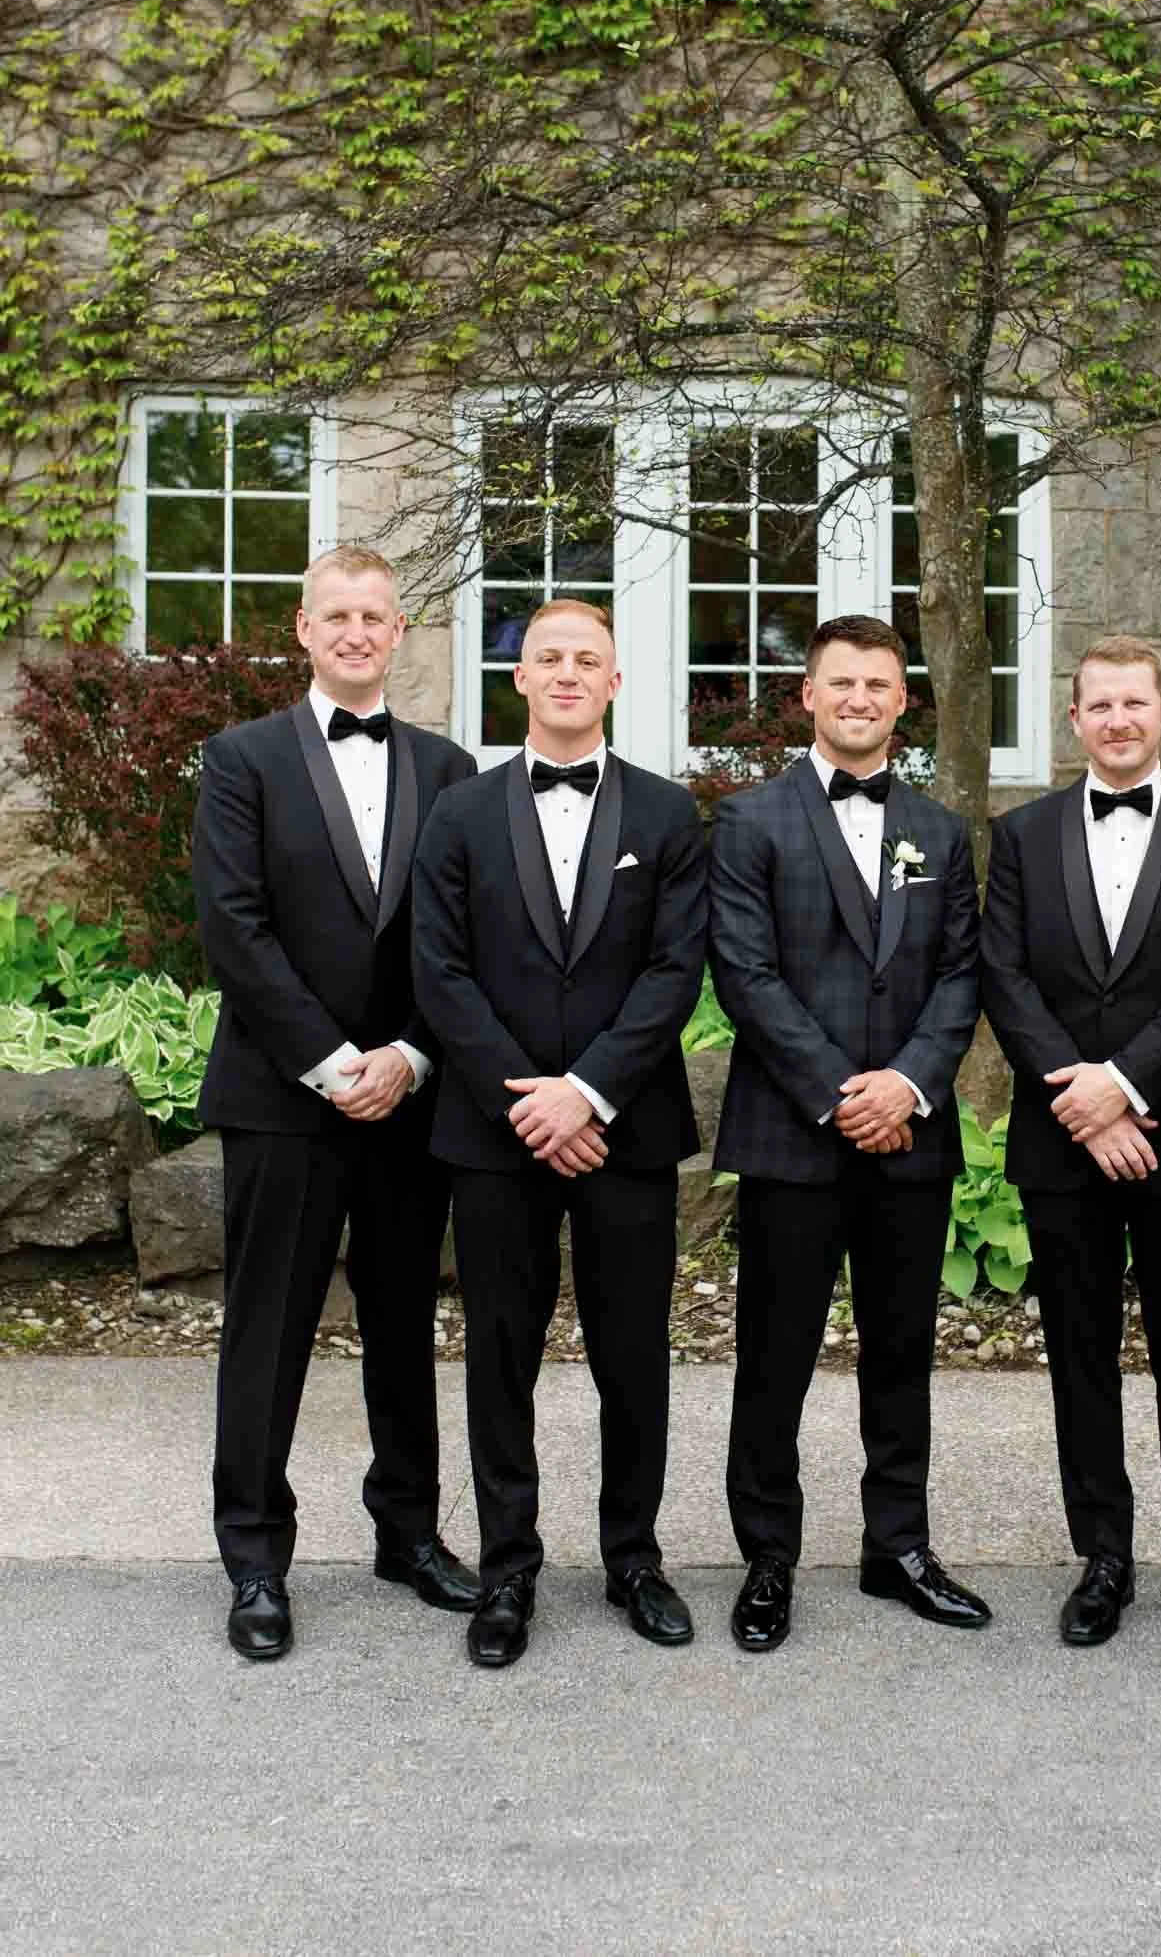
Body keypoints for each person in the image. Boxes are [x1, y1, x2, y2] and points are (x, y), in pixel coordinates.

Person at [193, 543, 480, 1661]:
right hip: (282, 1095)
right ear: (303, 630)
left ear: (398, 633)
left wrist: (408, 1054)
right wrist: (328, 1059)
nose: (357, 632)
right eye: (337, 615)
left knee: (404, 1323)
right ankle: (255, 1557)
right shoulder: (241, 759)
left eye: (375, 615)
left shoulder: (452, 770)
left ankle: (407, 1531)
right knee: (269, 1329)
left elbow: (458, 939)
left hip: (409, 1096)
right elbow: (233, 926)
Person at [411, 598, 708, 1669]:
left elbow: (675, 971)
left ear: (616, 682)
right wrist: (524, 1101)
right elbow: (437, 971)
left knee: (635, 1354)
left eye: (588, 658)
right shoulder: (458, 814)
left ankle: (633, 1555)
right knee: (500, 1354)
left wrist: (586, 1093)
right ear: (520, 678)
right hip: (494, 1138)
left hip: (625, 1132)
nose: (569, 672)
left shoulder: (670, 818)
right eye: (550, 658)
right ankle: (508, 1569)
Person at [710, 614, 986, 1651]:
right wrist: (838, 1092)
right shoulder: (748, 822)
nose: (860, 698)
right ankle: (767, 1555)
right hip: (792, 1132)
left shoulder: (941, 830)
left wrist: (907, 1085)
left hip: (908, 1135)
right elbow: (744, 973)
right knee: (773, 1355)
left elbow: (961, 971)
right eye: (842, 682)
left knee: (901, 1353)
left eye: (878, 682)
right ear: (809, 696)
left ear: (901, 698)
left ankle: (896, 1546)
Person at [981, 636, 1161, 1651]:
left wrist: (1126, 1086)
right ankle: (1101, 1554)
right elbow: (1002, 977)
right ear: (1074, 720)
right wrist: (1082, 1103)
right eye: (1097, 705)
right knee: (1078, 1357)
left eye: (1132, 703)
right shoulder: (1019, 835)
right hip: (1062, 1146)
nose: (1116, 720)